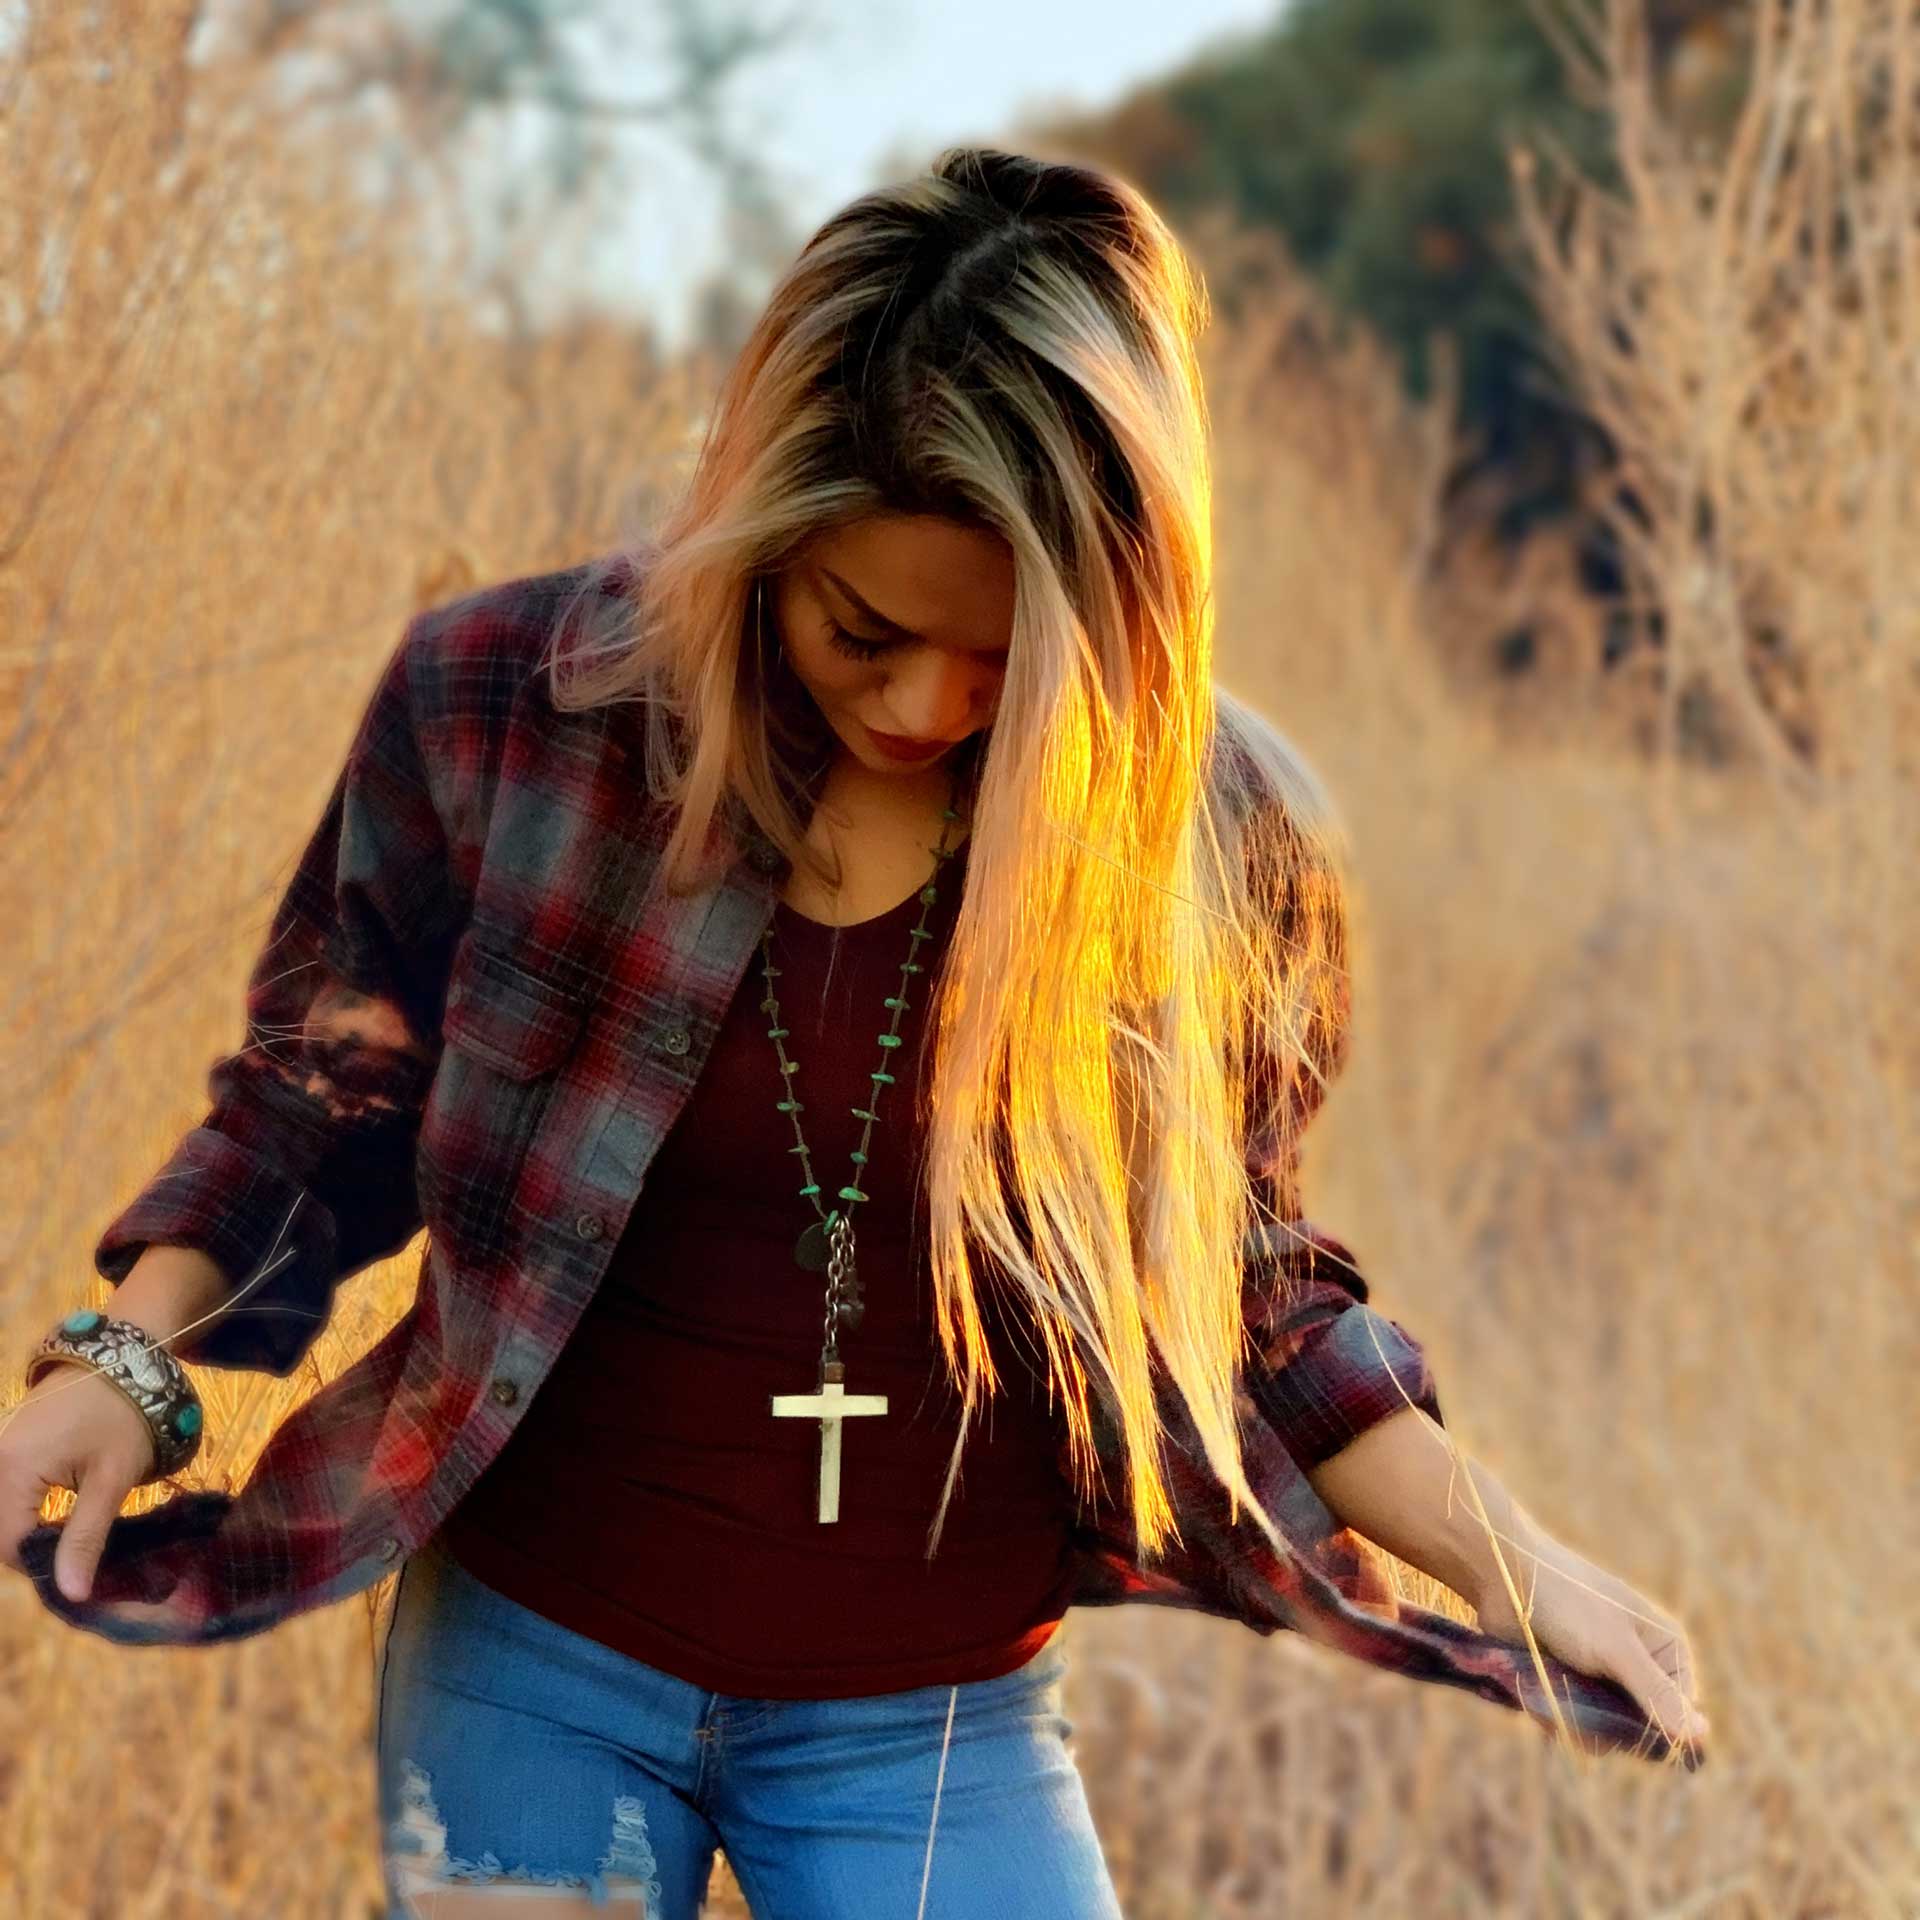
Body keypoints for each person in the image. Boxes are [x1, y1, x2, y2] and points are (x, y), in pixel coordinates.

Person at [2, 146, 1708, 1918]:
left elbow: (1250, 1289)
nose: (923, 708)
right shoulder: (511, 709)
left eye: (1007, 666)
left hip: (935, 1722)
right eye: (866, 631)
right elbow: (326, 1103)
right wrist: (123, 1374)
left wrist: (1516, 1568)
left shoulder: (1210, 842)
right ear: (765, 525)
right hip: (531, 1670)